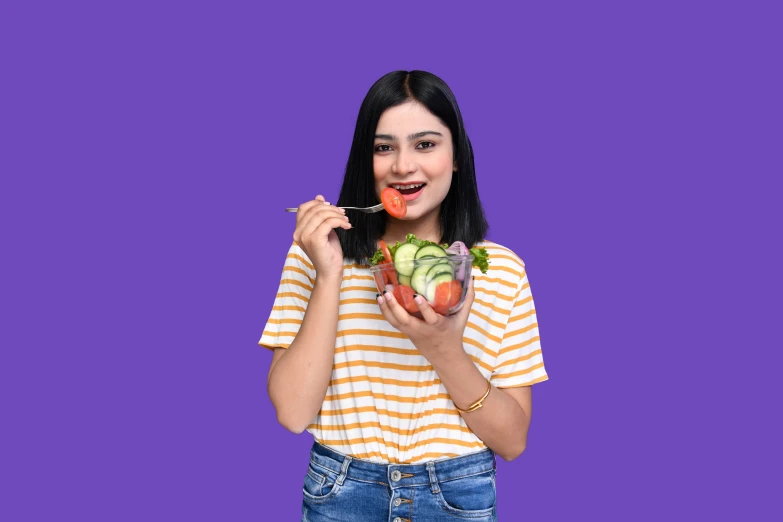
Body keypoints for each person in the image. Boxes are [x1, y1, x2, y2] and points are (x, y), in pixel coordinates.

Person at [259, 70, 548, 522]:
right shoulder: (316, 256)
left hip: (458, 497)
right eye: (383, 147)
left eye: (426, 144)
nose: (402, 166)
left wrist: (443, 348)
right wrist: (331, 273)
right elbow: (294, 414)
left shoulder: (500, 270)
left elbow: (512, 442)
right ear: (364, 159)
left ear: (456, 158)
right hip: (341, 493)